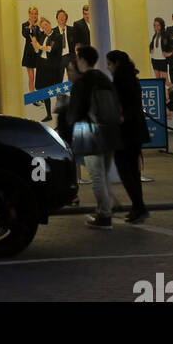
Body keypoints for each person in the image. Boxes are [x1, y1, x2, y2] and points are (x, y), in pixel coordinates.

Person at [65, 44, 122, 229]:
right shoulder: (104, 78)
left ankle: (104, 216)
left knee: (96, 175)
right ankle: (104, 209)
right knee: (103, 173)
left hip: (89, 131)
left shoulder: (82, 82)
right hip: (111, 130)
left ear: (82, 60)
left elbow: (74, 113)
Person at [105, 50, 150, 223]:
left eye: (109, 64)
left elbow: (122, 105)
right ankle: (139, 206)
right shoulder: (132, 77)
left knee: (125, 170)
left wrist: (119, 117)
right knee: (133, 170)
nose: (108, 68)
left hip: (125, 131)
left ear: (116, 64)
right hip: (136, 130)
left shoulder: (120, 80)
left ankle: (138, 207)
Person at [32, 15, 63, 120]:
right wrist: (36, 47)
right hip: (42, 65)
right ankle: (48, 114)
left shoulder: (57, 36)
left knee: (54, 90)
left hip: (52, 67)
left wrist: (39, 46)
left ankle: (61, 114)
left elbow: (50, 49)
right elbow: (38, 51)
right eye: (43, 27)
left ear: (50, 24)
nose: (45, 28)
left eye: (46, 25)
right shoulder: (42, 36)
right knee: (43, 90)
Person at [21, 6, 43, 94]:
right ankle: (32, 95)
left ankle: (40, 94)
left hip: (39, 53)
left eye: (36, 14)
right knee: (31, 77)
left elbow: (42, 36)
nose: (34, 15)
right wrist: (30, 26)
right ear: (29, 14)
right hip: (29, 53)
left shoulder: (39, 24)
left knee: (40, 76)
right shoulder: (25, 25)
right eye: (32, 13)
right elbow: (25, 35)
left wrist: (39, 27)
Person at [149, 17, 170, 100]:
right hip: (155, 59)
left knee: (166, 82)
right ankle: (163, 99)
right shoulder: (155, 35)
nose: (156, 27)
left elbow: (170, 46)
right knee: (158, 81)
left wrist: (168, 53)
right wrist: (150, 49)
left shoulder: (165, 34)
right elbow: (152, 45)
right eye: (154, 25)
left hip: (162, 60)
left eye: (158, 25)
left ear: (161, 25)